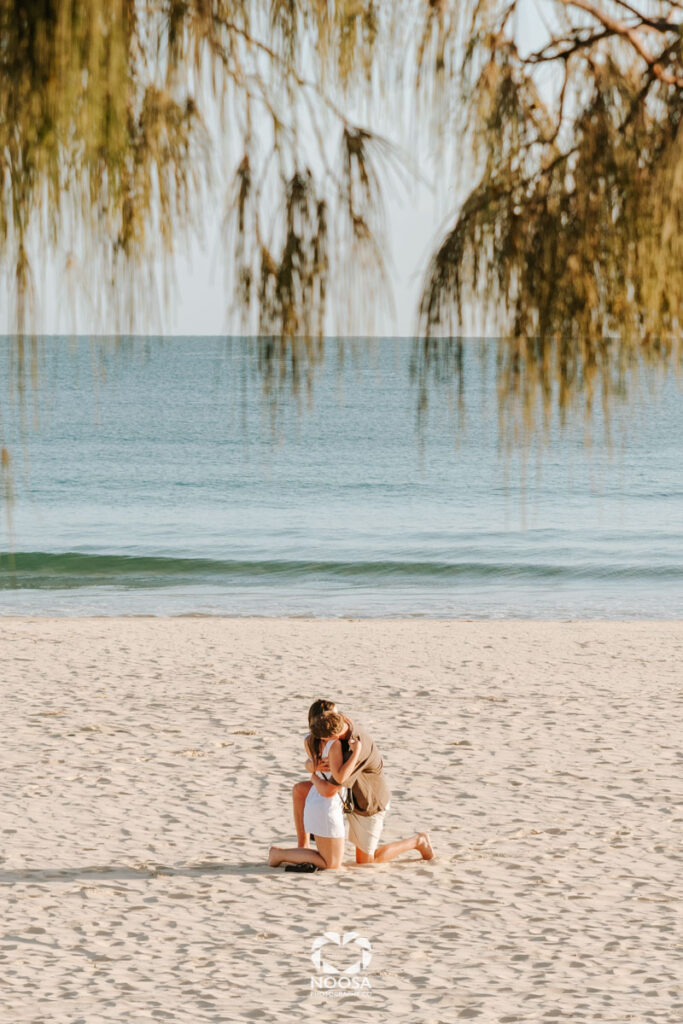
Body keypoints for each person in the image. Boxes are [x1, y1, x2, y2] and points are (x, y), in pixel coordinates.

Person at [268, 711, 363, 870]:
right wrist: (357, 751)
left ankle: (285, 853)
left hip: (320, 802)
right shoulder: (335, 745)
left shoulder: (320, 743)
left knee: (332, 860)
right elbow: (339, 778)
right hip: (325, 806)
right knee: (331, 864)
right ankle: (278, 854)